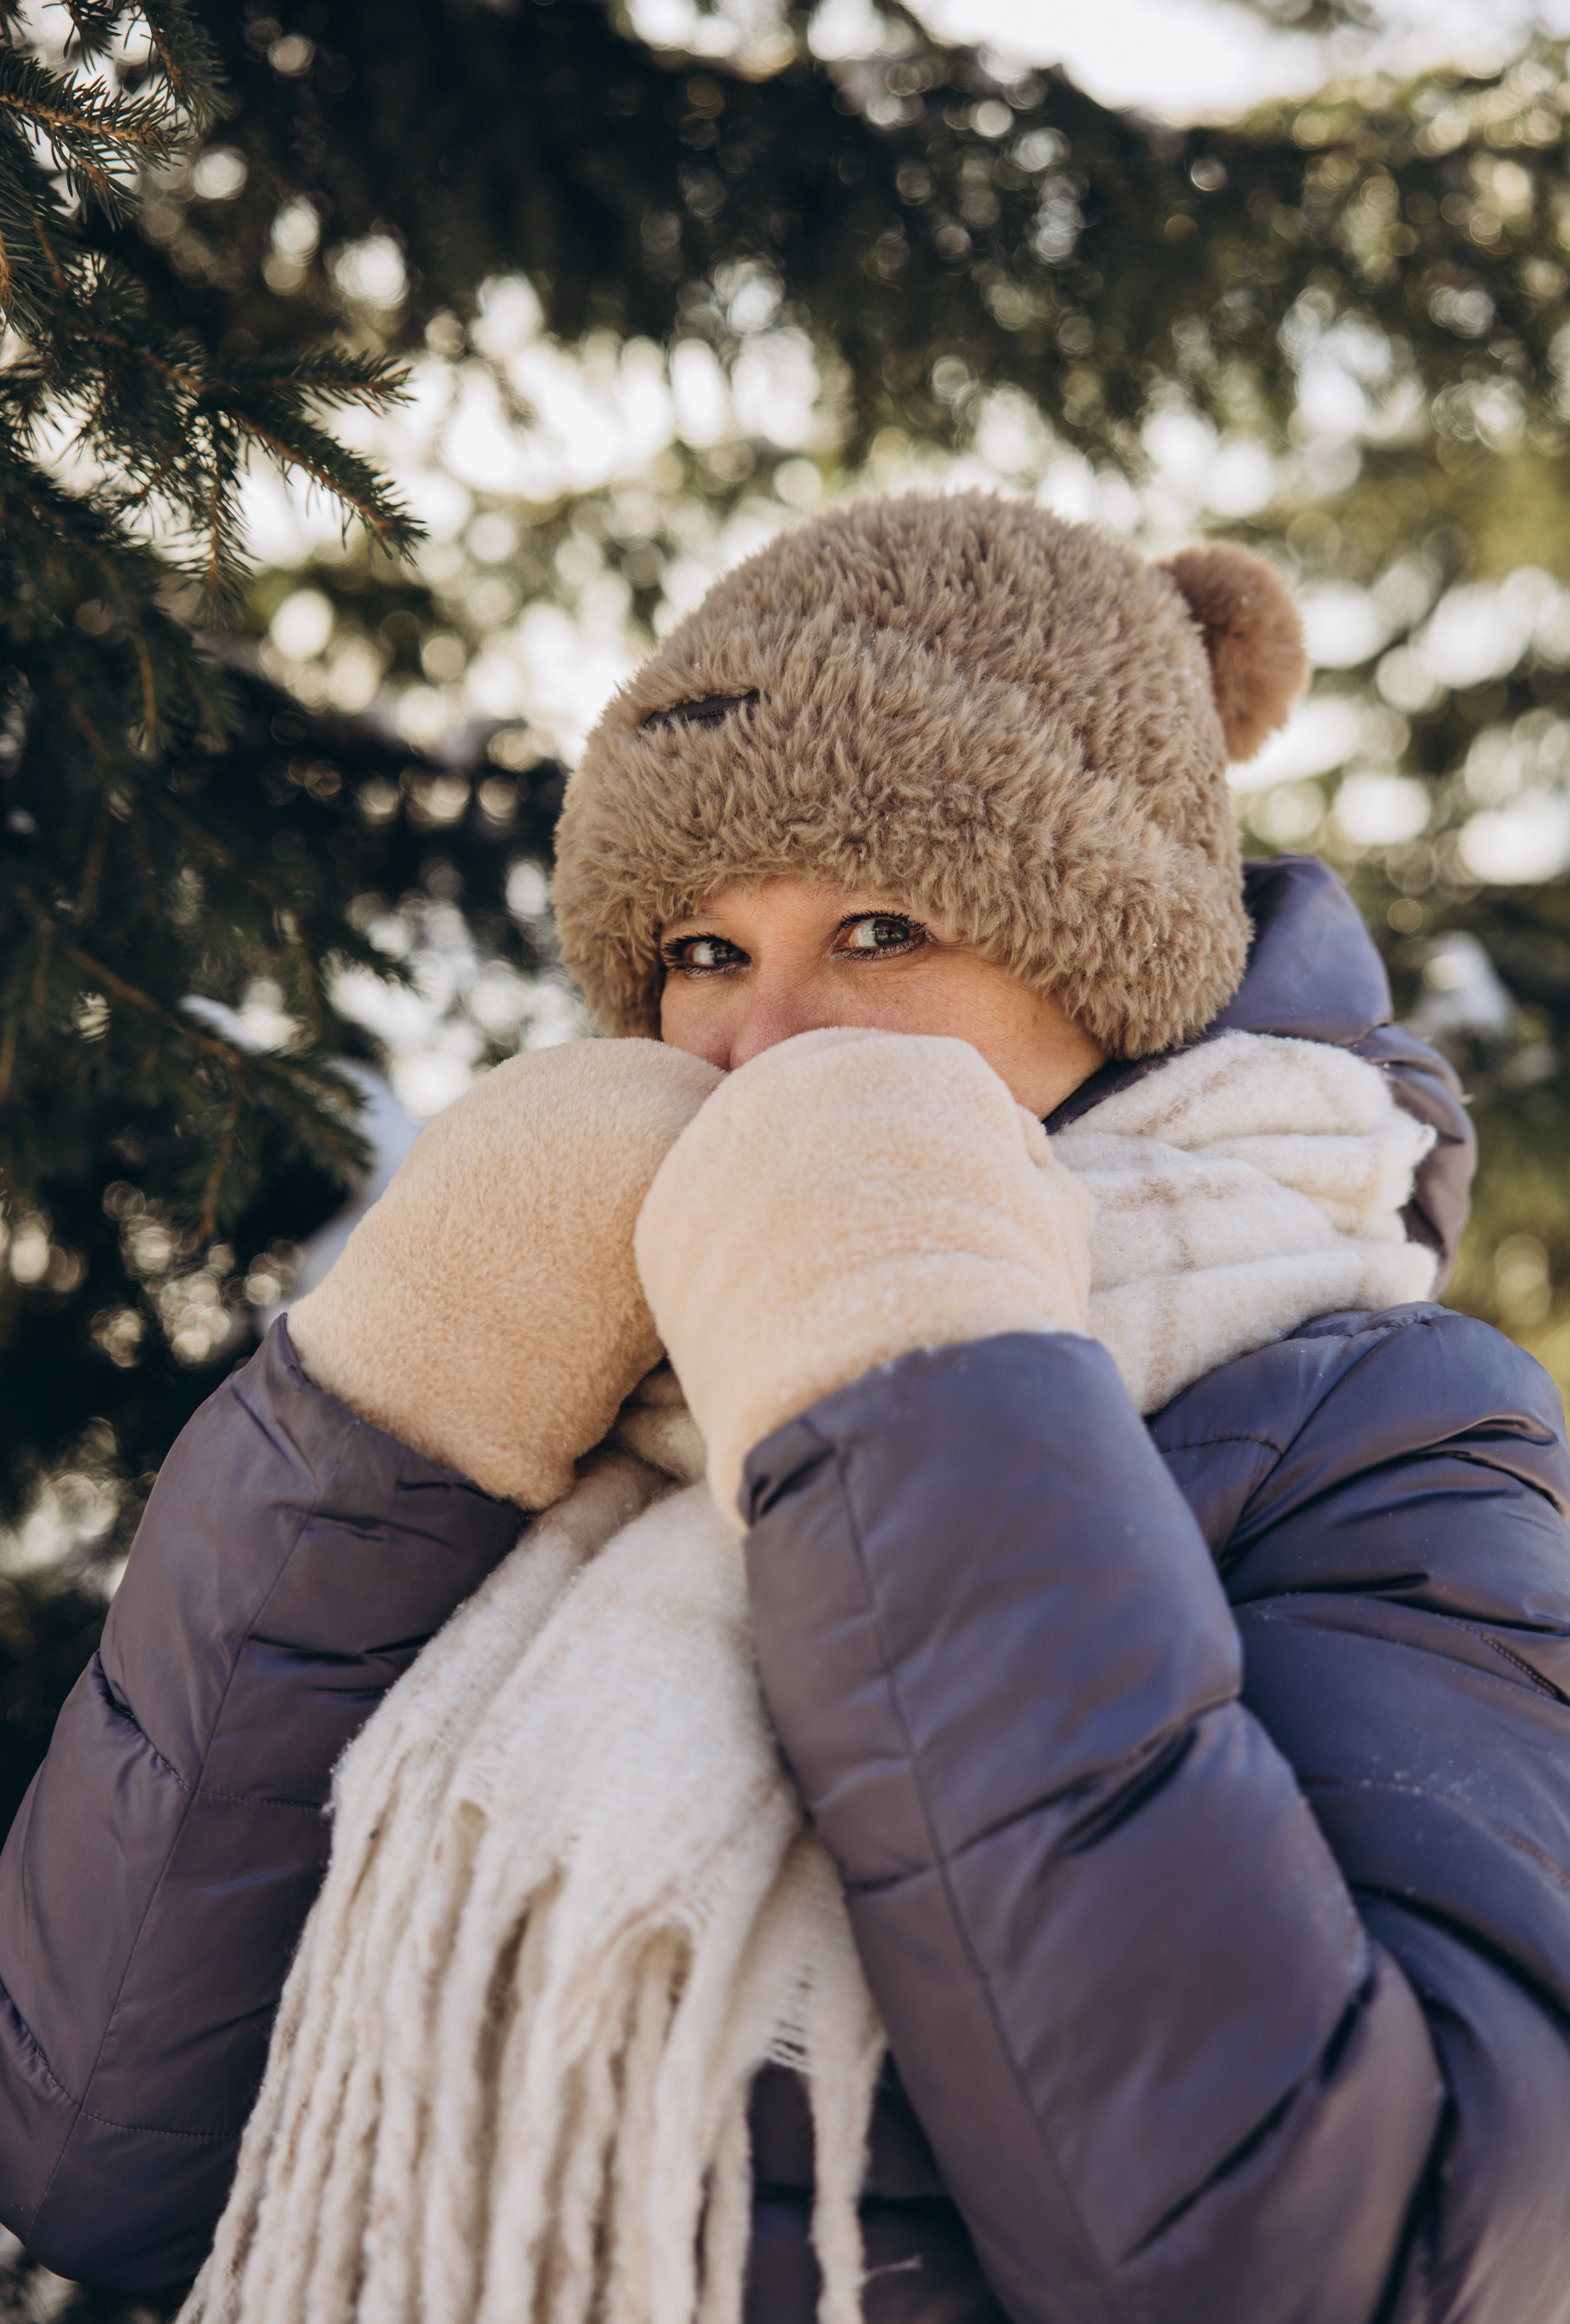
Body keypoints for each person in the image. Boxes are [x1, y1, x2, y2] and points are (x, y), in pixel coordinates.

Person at [2, 490, 1568, 2324]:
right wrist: (382, 1424)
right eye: (708, 953)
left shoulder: (1382, 1426)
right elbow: (84, 2148)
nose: (765, 1048)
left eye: (887, 930)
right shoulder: (567, 1383)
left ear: (1112, 967)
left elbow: (1375, 2262)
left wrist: (912, 1377)